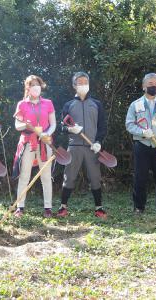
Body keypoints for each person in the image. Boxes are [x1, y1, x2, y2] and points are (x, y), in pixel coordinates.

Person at [57, 71, 107, 219]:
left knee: (95, 177)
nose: (83, 85)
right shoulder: (69, 105)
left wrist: (98, 142)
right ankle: (63, 207)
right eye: (80, 82)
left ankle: (99, 208)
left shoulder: (96, 104)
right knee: (69, 177)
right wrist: (71, 129)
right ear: (74, 85)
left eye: (86, 82)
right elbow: (62, 126)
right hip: (75, 147)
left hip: (92, 147)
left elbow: (102, 126)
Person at [125, 73, 156, 216]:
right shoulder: (135, 105)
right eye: (150, 84)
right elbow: (129, 125)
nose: (153, 86)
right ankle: (139, 207)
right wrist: (142, 132)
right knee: (140, 178)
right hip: (142, 146)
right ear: (143, 86)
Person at [12, 75, 55, 218]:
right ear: (27, 88)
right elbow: (17, 125)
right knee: (24, 175)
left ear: (41, 86)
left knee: (46, 175)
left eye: (38, 84)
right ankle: (20, 207)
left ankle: (48, 208)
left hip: (44, 142)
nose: (35, 87)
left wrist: (46, 134)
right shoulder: (21, 104)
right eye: (32, 85)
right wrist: (27, 125)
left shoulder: (48, 103)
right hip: (27, 141)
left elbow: (53, 124)